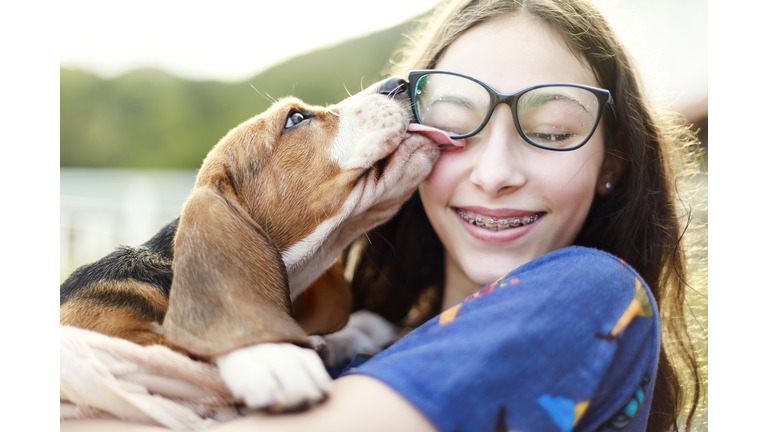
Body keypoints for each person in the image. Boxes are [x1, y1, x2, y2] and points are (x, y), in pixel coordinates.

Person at [61, 0, 703, 431]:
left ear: (613, 162)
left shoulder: (593, 293)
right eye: (458, 122)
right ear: (416, 143)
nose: (496, 171)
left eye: (554, 132)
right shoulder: (354, 338)